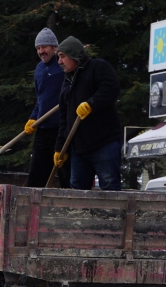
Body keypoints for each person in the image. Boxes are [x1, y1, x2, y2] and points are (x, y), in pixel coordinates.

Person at [53, 36, 123, 191]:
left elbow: (111, 87)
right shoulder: (67, 82)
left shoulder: (98, 67)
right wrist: (60, 148)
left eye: (62, 56)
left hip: (104, 143)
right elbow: (64, 119)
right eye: (58, 57)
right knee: (78, 190)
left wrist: (92, 104)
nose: (59, 62)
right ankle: (82, 216)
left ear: (73, 55)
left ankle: (113, 216)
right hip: (79, 149)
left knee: (110, 187)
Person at [23, 27, 69, 188]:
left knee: (65, 172)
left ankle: (70, 208)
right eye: (38, 48)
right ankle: (32, 209)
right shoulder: (39, 69)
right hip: (43, 129)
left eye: (44, 47)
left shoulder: (63, 66)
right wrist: (33, 117)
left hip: (61, 128)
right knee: (37, 173)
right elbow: (40, 99)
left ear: (55, 47)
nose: (41, 51)